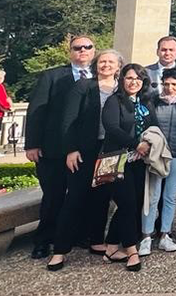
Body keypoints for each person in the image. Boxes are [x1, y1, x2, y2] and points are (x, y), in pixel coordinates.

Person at [46, 49, 120, 270]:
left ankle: (96, 239)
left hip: (109, 150)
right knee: (75, 197)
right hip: (84, 150)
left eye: (111, 62)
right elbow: (69, 119)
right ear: (96, 65)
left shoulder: (121, 89)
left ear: (118, 67)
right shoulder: (83, 86)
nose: (106, 65)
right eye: (102, 61)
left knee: (102, 197)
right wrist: (70, 149)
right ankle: (60, 250)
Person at [25, 34, 95, 260]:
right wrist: (32, 143)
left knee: (80, 195)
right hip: (53, 149)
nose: (82, 51)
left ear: (94, 50)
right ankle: (43, 240)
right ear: (70, 51)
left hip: (85, 150)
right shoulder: (52, 76)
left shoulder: (100, 77)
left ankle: (78, 235)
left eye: (87, 47)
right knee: (53, 196)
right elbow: (37, 110)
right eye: (77, 47)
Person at [101, 64, 158, 271]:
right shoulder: (113, 101)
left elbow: (154, 126)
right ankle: (132, 251)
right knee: (126, 204)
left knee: (133, 204)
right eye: (129, 78)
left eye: (138, 78)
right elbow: (112, 128)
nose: (133, 82)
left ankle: (112, 246)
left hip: (139, 161)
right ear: (122, 79)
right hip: (118, 159)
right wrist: (136, 144)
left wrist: (149, 144)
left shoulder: (146, 102)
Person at [138, 67, 176, 256]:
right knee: (152, 196)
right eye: (166, 84)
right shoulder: (154, 101)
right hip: (157, 154)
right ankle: (146, 235)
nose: (169, 88)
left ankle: (165, 233)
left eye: (174, 84)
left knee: (170, 196)